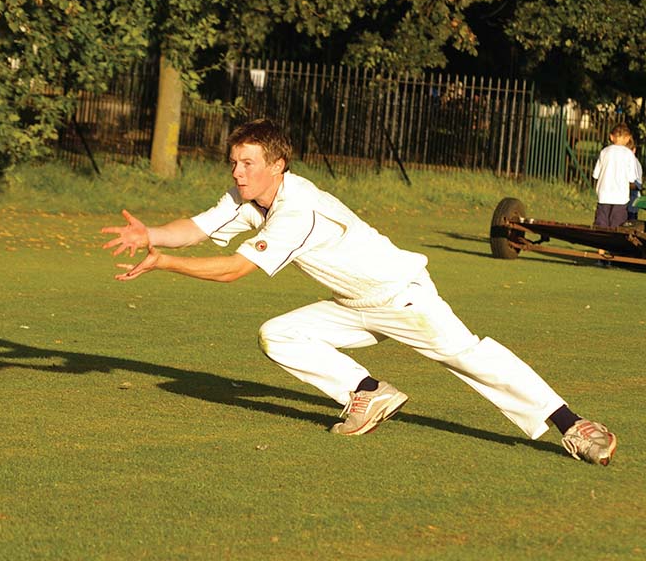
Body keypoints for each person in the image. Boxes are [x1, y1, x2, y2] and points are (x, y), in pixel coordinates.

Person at [102, 118, 617, 465]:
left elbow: (235, 270)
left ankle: (573, 425)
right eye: (234, 162)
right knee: (279, 335)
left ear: (278, 164)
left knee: (470, 358)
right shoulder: (249, 197)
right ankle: (368, 393)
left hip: (400, 296)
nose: (237, 173)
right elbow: (198, 225)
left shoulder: (296, 210)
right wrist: (151, 235)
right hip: (353, 305)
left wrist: (165, 262)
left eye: (248, 163)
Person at [592, 122, 641, 229]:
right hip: (620, 197)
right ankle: (613, 245)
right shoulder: (629, 154)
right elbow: (632, 178)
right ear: (628, 138)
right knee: (617, 226)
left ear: (611, 137)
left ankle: (601, 246)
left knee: (601, 226)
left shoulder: (604, 152)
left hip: (603, 195)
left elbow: (596, 175)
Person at [625, 134, 643, 223]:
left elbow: (637, 185)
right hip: (624, 202)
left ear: (634, 150)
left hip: (632, 202)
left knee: (631, 223)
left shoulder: (635, 164)